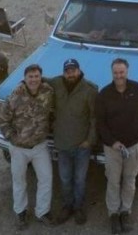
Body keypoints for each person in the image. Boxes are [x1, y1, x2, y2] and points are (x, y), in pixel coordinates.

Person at [95, 58, 138, 234]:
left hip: (134, 146)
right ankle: (113, 214)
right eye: (116, 73)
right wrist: (113, 142)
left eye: (122, 72)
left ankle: (125, 212)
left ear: (127, 71)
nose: (119, 75)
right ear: (112, 73)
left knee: (129, 180)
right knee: (113, 181)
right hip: (112, 148)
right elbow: (101, 123)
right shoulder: (104, 95)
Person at [0, 64, 56, 230]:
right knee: (19, 181)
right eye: (30, 76)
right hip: (19, 148)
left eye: (37, 76)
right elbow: (2, 120)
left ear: (41, 77)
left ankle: (42, 212)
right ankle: (20, 212)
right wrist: (12, 138)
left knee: (46, 179)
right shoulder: (15, 96)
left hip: (40, 146)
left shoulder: (48, 92)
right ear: (25, 78)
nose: (34, 79)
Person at [46, 58, 97, 225]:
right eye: (67, 71)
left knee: (80, 179)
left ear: (79, 71)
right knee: (65, 178)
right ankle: (67, 206)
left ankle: (79, 208)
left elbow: (94, 118)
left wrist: (90, 140)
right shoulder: (56, 83)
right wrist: (24, 81)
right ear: (63, 72)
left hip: (81, 145)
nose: (70, 74)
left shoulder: (89, 90)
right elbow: (38, 80)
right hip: (62, 144)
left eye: (73, 70)